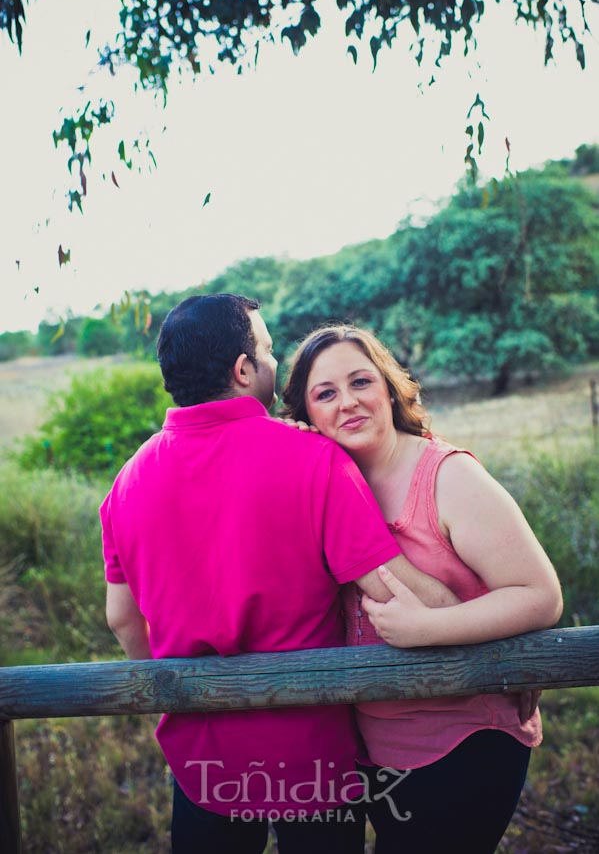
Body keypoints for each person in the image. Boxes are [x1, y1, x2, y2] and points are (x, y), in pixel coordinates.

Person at [99, 294, 458, 854]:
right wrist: (490, 616)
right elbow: (395, 589)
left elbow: (121, 618)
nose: (273, 362)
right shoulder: (313, 458)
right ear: (244, 370)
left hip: (201, 759)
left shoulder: (127, 481)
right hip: (309, 758)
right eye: (267, 351)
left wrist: (181, 690)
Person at [281, 323, 563, 854]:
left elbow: (540, 594)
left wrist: (431, 627)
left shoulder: (447, 477)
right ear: (306, 415)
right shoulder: (324, 481)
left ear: (389, 387)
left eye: (361, 382)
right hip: (370, 746)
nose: (348, 403)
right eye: (326, 394)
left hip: (463, 738)